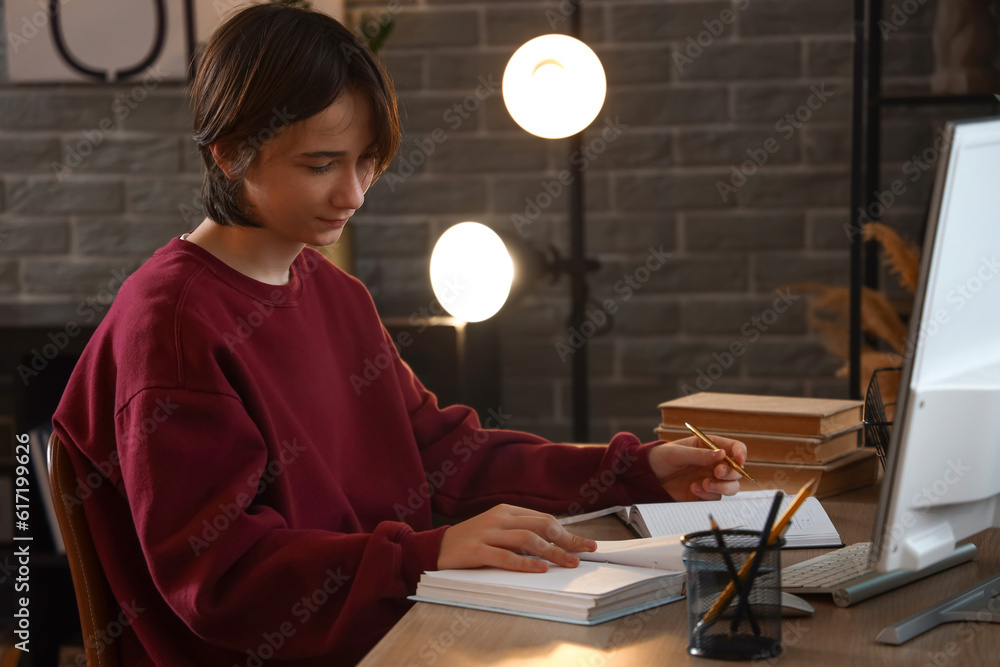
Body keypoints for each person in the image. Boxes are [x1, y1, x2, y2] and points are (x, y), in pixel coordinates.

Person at [52, 5, 747, 666]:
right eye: (321, 164)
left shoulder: (335, 293)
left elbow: (447, 454)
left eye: (366, 162)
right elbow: (224, 580)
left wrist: (636, 469)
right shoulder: (171, 326)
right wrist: (424, 554)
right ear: (231, 151)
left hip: (402, 626)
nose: (352, 193)